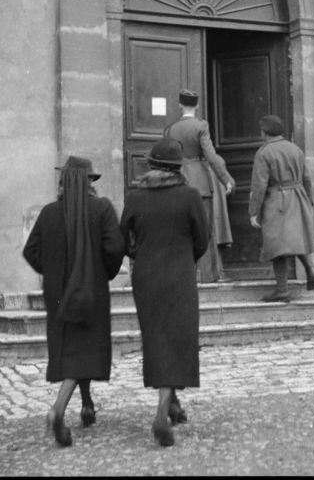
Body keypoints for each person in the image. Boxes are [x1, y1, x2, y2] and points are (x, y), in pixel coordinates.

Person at [22, 156, 125, 447]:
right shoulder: (102, 208)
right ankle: (58, 409)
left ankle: (87, 404)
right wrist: (103, 272)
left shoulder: (49, 212)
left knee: (72, 348)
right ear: (88, 181)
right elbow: (115, 248)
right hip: (91, 291)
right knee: (84, 352)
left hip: (57, 294)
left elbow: (31, 251)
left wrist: (53, 271)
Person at [120, 137, 209, 447]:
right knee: (179, 339)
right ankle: (161, 413)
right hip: (179, 275)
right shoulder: (190, 196)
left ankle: (172, 404)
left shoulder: (135, 196)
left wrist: (139, 254)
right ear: (178, 167)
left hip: (146, 277)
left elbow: (122, 237)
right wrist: (184, 258)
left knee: (157, 339)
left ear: (151, 165)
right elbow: (202, 239)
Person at [165, 88, 235, 282]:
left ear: (180, 105)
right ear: (196, 105)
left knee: (181, 230)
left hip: (177, 182)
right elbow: (211, 156)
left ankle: (184, 275)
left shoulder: (170, 129)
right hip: (200, 183)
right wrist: (225, 179)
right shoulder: (201, 126)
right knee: (205, 230)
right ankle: (207, 275)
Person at [249, 115, 314, 302]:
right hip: (298, 196)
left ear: (265, 132)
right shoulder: (296, 149)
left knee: (277, 245)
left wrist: (254, 211)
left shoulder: (264, 152)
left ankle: (282, 290)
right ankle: (310, 269)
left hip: (277, 200)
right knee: (296, 238)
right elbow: (306, 178)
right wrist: (309, 200)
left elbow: (259, 185)